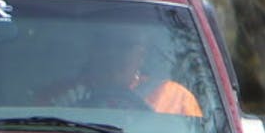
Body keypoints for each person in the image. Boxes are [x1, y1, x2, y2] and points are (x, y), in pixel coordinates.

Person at [40, 32, 203, 116]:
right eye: (104, 44)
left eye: (124, 46)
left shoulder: (175, 97)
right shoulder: (59, 97)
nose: (112, 53)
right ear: (92, 51)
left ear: (142, 54)